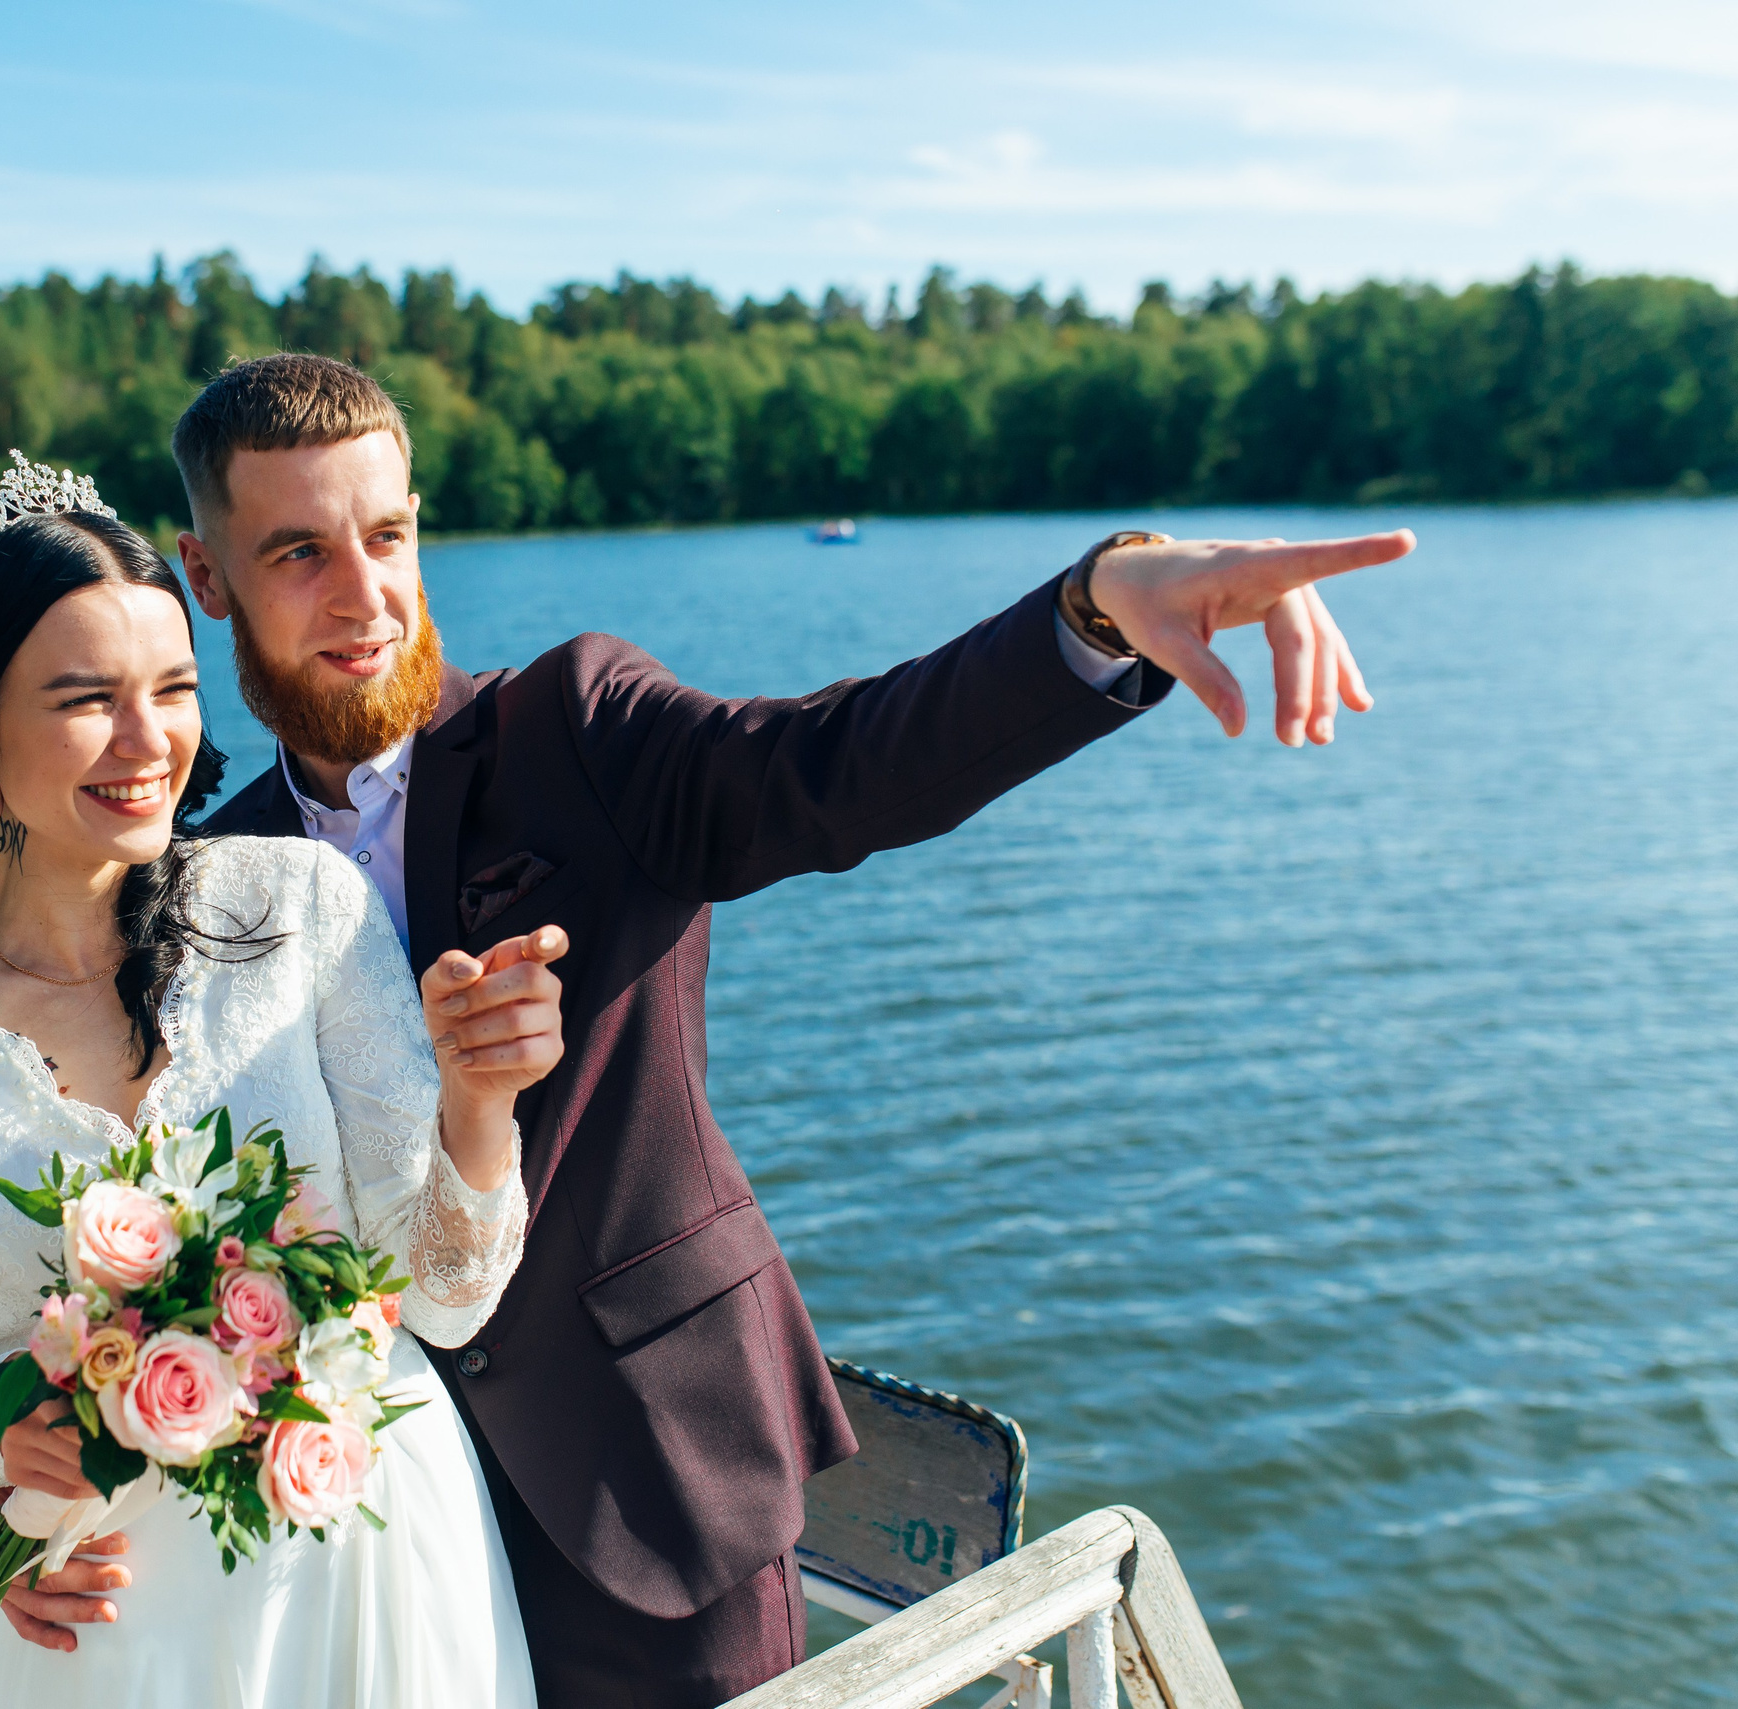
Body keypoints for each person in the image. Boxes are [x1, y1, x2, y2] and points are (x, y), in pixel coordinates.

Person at [171, 353, 1415, 1707]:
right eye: (299, 551)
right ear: (207, 576)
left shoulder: (577, 726)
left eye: (390, 535)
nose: (365, 595)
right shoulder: (202, 881)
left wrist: (1099, 603)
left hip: (653, 1490)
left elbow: (842, 763)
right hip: (375, 1532)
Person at [0, 466, 568, 1708]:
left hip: (379, 1553)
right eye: (85, 701)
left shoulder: (299, 906)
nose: (149, 745)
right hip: (114, 1609)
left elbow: (444, 1302)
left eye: (174, 690)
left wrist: (480, 1097)